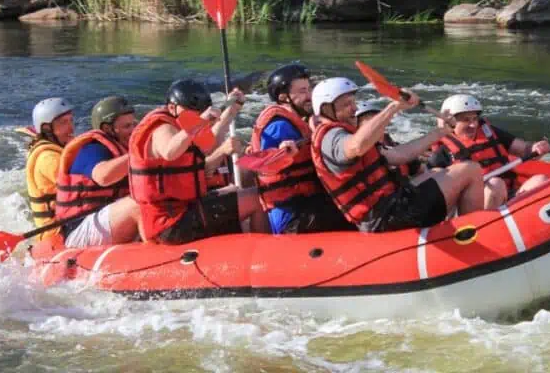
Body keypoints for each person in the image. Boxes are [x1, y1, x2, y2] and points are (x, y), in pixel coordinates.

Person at [310, 78, 488, 233]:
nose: (354, 108)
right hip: (388, 217)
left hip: (391, 206)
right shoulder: (331, 137)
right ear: (326, 108)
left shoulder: (344, 134)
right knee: (470, 170)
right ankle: (470, 236)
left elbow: (399, 155)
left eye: (353, 102)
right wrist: (393, 108)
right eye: (347, 104)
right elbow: (355, 148)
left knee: (436, 172)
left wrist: (440, 132)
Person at [128, 79, 269, 244]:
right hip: (171, 223)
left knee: (244, 192)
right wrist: (200, 121)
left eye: (198, 113)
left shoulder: (183, 128)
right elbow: (169, 151)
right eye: (191, 114)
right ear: (172, 108)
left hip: (184, 210)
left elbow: (208, 145)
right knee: (255, 200)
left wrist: (231, 110)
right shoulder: (162, 128)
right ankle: (263, 251)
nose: (194, 118)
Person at [249, 64, 354, 234]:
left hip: (307, 203)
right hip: (292, 216)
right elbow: (267, 166)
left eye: (309, 89)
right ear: (284, 97)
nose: (310, 95)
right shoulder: (279, 127)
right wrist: (282, 155)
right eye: (303, 91)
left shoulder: (300, 121)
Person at [428, 94, 550, 208]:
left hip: (508, 194)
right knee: (496, 184)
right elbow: (435, 194)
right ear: (450, 122)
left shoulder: (488, 132)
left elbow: (526, 149)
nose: (473, 125)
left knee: (540, 180)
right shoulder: (441, 151)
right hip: (473, 206)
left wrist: (536, 147)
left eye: (475, 119)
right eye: (466, 120)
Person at [54, 96, 142, 248]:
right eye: (127, 126)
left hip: (107, 220)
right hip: (80, 229)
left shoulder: (124, 149)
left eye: (134, 124)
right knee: (138, 205)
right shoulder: (92, 149)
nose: (133, 130)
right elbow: (103, 176)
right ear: (108, 129)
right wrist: (140, 155)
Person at [25, 97, 75, 240]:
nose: (71, 127)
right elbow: (84, 185)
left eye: (71, 120)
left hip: (67, 225)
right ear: (47, 128)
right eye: (63, 123)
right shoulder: (48, 159)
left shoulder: (57, 149)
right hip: (56, 234)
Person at [354, 101, 426, 177]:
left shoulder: (388, 143)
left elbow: (418, 167)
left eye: (378, 122)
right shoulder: (361, 155)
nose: (376, 128)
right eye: (371, 125)